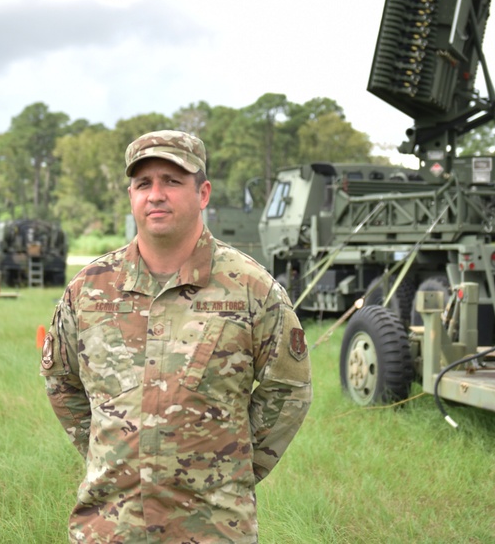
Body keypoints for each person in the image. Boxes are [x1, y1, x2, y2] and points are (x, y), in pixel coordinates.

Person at [41, 130, 312, 543]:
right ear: (131, 194)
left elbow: (288, 388)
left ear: (202, 193)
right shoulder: (89, 290)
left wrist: (230, 468)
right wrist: (110, 453)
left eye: (171, 181)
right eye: (143, 183)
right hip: (110, 527)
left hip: (212, 527)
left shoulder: (251, 288)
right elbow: (61, 381)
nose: (155, 195)